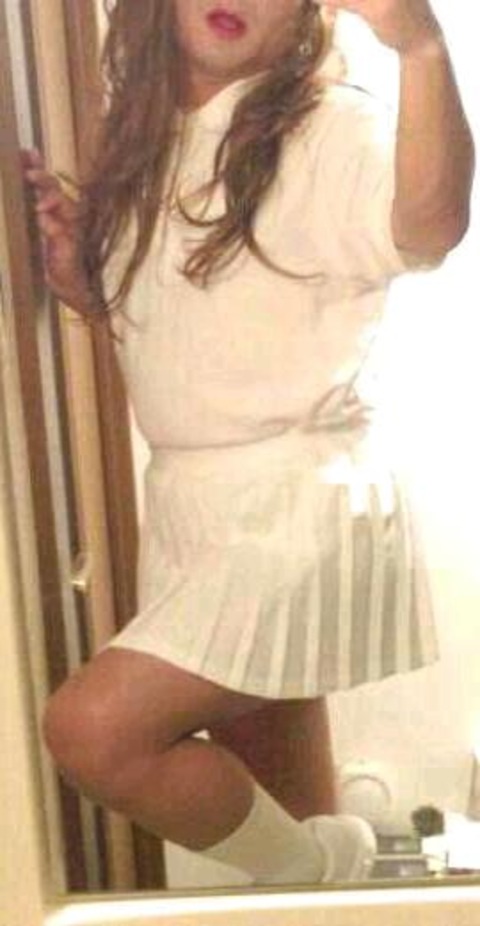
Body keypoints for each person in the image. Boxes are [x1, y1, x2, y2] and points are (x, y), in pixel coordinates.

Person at [22, 0, 474, 887]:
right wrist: (92, 287)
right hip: (196, 508)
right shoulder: (151, 137)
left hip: (290, 506)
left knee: (95, 733)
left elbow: (429, 224)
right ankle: (325, 874)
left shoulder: (326, 125)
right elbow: (204, 325)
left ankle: (334, 868)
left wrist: (420, 49)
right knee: (283, 807)